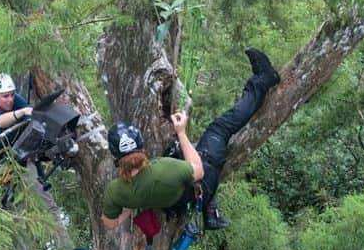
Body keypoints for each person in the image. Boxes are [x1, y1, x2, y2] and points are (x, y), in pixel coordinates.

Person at [101, 48, 280, 233]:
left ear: (115, 156)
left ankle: (210, 211)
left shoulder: (115, 192)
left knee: (176, 149)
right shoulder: (164, 168)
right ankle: (264, 80)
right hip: (201, 182)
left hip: (176, 202)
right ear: (140, 145)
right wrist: (181, 132)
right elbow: (199, 171)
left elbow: (110, 223)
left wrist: (128, 206)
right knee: (219, 128)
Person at [0, 72, 91, 250]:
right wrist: (21, 113)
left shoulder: (14, 101)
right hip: (13, 166)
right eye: (5, 96)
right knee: (46, 204)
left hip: (30, 150)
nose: (11, 99)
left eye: (12, 95)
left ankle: (65, 148)